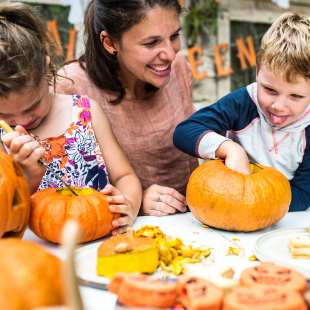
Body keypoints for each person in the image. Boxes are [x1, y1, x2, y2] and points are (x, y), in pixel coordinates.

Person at [0, 1, 142, 235]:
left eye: (34, 104)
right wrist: (26, 175)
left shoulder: (86, 113)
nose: (23, 122)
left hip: (100, 241)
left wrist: (128, 203)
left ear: (47, 71)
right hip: (38, 253)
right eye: (5, 115)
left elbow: (125, 176)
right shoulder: (3, 140)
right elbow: (7, 214)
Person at [56, 0, 198, 217]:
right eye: (151, 42)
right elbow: (58, 194)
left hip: (193, 224)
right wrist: (134, 203)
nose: (170, 54)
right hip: (117, 233)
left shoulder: (178, 67)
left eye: (174, 36)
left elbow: (191, 160)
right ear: (110, 43)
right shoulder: (69, 88)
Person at [174, 12, 310, 212]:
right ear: (257, 71)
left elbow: (304, 194)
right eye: (270, 90)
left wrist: (254, 202)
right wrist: (230, 148)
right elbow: (184, 132)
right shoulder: (242, 103)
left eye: (296, 96)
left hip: (277, 218)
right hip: (224, 203)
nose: (279, 106)